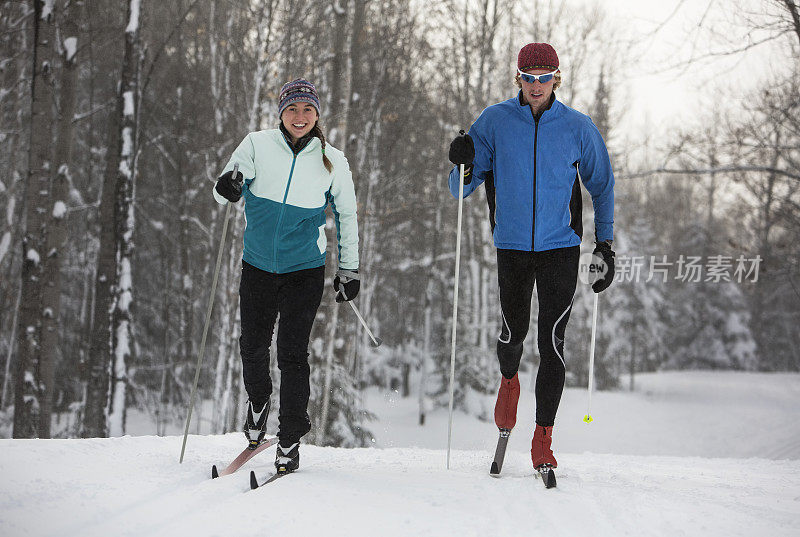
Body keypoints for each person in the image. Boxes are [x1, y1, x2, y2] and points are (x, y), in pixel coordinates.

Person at [446, 43, 615, 473]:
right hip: (513, 247)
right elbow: (460, 188)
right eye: (529, 77)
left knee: (552, 344)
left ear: (556, 78)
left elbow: (603, 185)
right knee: (512, 332)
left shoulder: (577, 126)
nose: (536, 85)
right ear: (517, 77)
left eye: (545, 77)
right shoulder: (495, 121)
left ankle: (543, 437)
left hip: (561, 248)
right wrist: (462, 162)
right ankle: (508, 382)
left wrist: (605, 244)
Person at [213, 78, 360, 475]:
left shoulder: (332, 159)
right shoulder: (257, 145)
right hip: (258, 265)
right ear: (281, 112)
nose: (300, 117)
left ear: (317, 115)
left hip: (304, 271)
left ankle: (290, 439)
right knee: (253, 346)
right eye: (292, 109)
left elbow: (347, 216)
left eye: (307, 110)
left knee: (292, 354)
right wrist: (227, 186)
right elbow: (226, 185)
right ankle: (258, 404)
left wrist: (349, 268)